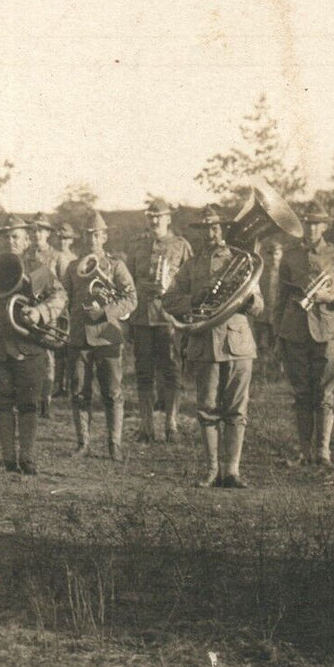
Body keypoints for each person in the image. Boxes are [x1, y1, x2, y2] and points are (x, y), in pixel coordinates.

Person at [164, 205, 262, 487]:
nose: (211, 234)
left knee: (237, 409)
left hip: (237, 342)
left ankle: (232, 471)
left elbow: (259, 307)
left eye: (215, 228)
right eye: (205, 229)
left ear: (224, 229)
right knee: (207, 409)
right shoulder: (191, 265)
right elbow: (169, 300)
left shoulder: (242, 261)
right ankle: (211, 470)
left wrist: (247, 299)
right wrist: (194, 300)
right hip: (205, 343)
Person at [0, 214, 66, 475]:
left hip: (28, 347)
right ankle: (8, 458)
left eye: (16, 236)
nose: (11, 241)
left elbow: (60, 296)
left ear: (26, 240)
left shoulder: (40, 269)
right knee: (0, 404)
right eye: (7, 237)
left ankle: (27, 457)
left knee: (28, 403)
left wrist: (40, 312)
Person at [274, 200, 334, 466]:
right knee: (301, 394)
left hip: (329, 332)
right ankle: (304, 451)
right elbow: (280, 300)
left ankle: (323, 452)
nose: (311, 228)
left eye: (316, 224)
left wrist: (331, 298)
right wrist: (278, 335)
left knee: (324, 394)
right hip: (295, 333)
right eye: (307, 223)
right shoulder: (289, 256)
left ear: (324, 227)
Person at [64, 212, 137, 460]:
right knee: (79, 392)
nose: (92, 239)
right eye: (88, 235)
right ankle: (83, 443)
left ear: (104, 237)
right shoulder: (72, 267)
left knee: (112, 392)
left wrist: (105, 312)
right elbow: (65, 298)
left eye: (97, 235)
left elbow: (131, 299)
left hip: (107, 336)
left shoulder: (116, 266)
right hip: (79, 337)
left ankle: (114, 444)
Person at [125, 197, 193, 443]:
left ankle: (171, 425)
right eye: (150, 217)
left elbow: (190, 282)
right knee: (143, 371)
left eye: (159, 217)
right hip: (142, 317)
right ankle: (146, 426)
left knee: (171, 370)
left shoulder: (181, 246)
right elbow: (128, 283)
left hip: (169, 318)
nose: (154, 221)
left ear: (168, 219)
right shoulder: (137, 245)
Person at [25, 212, 66, 417]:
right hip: (26, 311)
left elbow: (65, 289)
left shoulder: (57, 257)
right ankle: (30, 398)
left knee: (48, 358)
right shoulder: (25, 256)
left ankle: (46, 401)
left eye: (40, 230)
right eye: (33, 230)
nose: (36, 234)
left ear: (48, 233)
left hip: (50, 314)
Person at [53, 220, 79, 401]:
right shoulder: (55, 257)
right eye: (60, 238)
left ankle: (71, 385)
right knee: (58, 345)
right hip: (58, 304)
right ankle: (58, 385)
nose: (62, 241)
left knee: (71, 347)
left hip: (71, 304)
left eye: (66, 238)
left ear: (71, 240)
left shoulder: (75, 259)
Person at [253, 238, 285, 381]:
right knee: (262, 344)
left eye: (276, 254)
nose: (273, 258)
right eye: (269, 254)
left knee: (279, 344)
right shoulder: (260, 273)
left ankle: (279, 372)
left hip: (279, 316)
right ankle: (263, 373)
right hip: (263, 315)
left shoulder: (285, 273)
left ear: (281, 254)